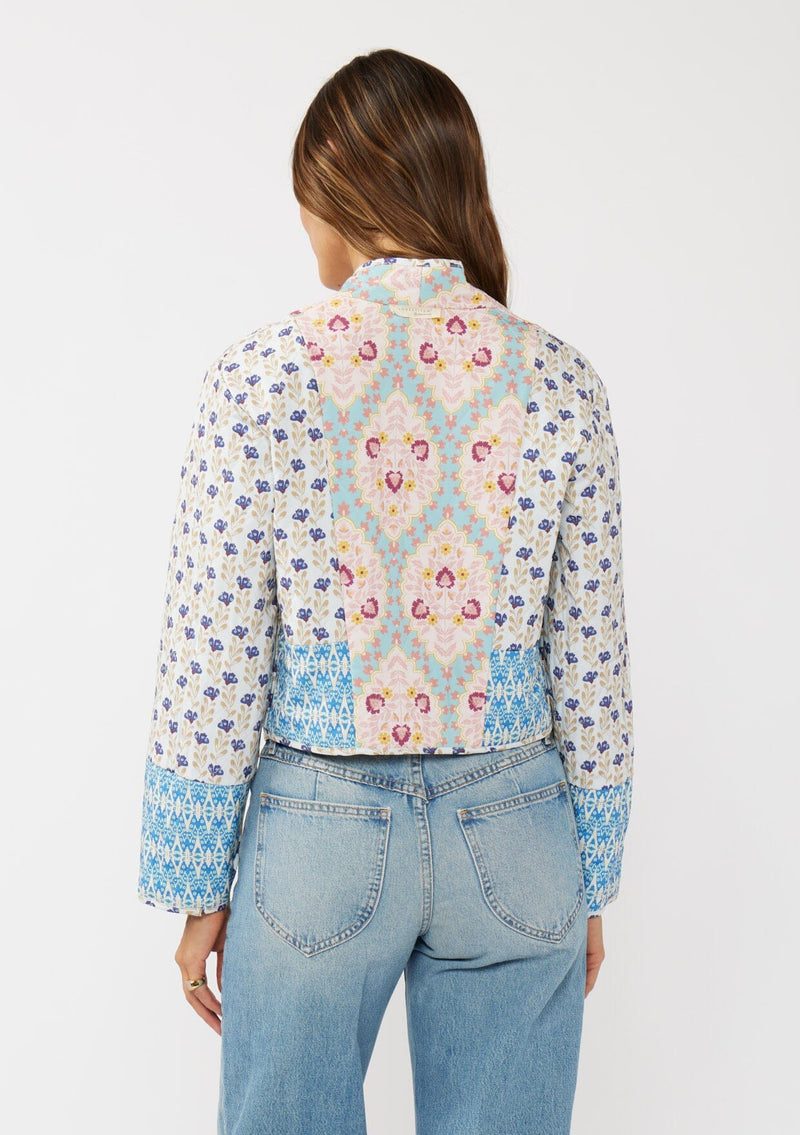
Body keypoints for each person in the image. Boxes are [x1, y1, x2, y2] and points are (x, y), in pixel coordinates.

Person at [137, 47, 635, 1135]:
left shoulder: (258, 376)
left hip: (316, 833)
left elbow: (214, 655)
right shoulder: (562, 380)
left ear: (338, 195)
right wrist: (589, 874)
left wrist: (197, 882)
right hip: (518, 832)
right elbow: (591, 662)